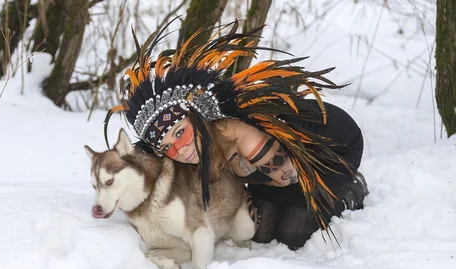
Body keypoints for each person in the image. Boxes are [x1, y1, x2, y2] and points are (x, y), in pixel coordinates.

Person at [103, 21, 369, 250]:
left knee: (292, 232)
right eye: (167, 145)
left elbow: (287, 178)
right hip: (271, 170)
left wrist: (247, 188)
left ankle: (350, 190)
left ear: (198, 117)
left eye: (180, 132)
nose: (179, 149)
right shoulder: (201, 141)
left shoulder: (238, 133)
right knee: (262, 232)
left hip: (327, 152)